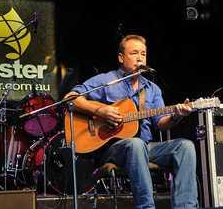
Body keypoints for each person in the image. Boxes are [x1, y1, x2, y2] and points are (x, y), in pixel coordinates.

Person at [65, 34, 198, 209]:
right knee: (135, 144)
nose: (140, 58)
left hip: (146, 146)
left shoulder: (152, 89)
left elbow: (160, 122)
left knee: (185, 146)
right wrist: (100, 110)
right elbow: (71, 98)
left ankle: (186, 207)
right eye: (134, 53)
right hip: (113, 148)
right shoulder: (107, 81)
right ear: (121, 57)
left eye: (143, 54)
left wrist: (177, 115)